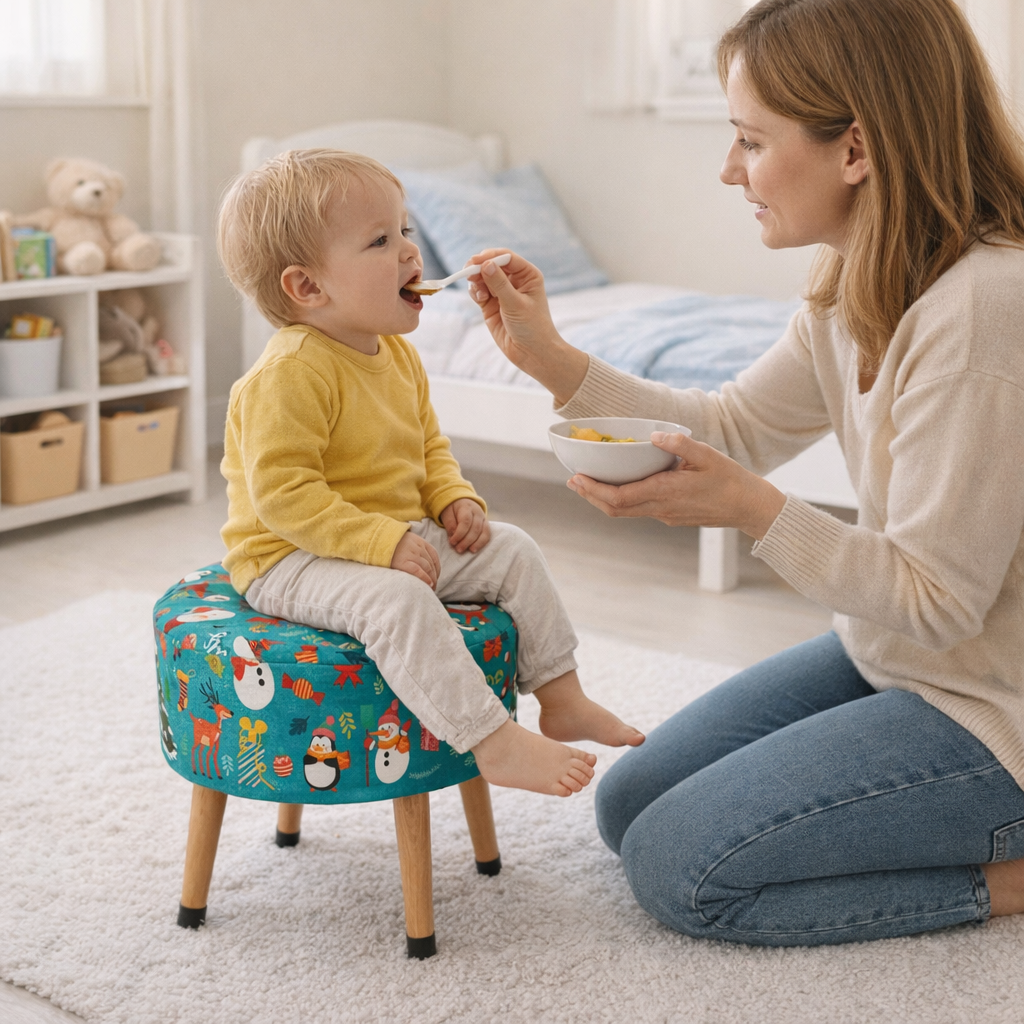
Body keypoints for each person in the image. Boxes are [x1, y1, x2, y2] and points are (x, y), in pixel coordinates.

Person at [464, 0, 1024, 945]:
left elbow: (941, 600)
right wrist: (552, 359)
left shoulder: (982, 309)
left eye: (749, 141)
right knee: (629, 803)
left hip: (995, 701)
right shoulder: (856, 280)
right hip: (896, 659)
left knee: (684, 871)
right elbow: (732, 423)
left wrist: (754, 511)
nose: (730, 170)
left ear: (856, 149)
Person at [215, 149, 645, 800]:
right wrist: (380, 546)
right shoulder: (288, 375)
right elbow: (284, 499)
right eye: (382, 240)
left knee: (512, 549)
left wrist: (452, 498)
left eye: (406, 231)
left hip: (392, 535)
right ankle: (491, 739)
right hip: (290, 557)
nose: (412, 255)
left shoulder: (399, 357)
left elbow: (427, 447)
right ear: (307, 288)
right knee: (398, 600)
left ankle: (562, 695)